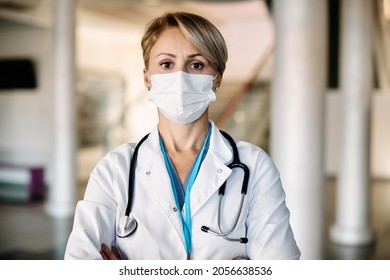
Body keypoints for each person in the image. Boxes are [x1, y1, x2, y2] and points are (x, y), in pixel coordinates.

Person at [64, 11, 300, 260]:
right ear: (148, 78)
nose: (180, 77)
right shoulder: (114, 169)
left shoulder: (255, 166)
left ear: (216, 78)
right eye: (166, 64)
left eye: (196, 65)